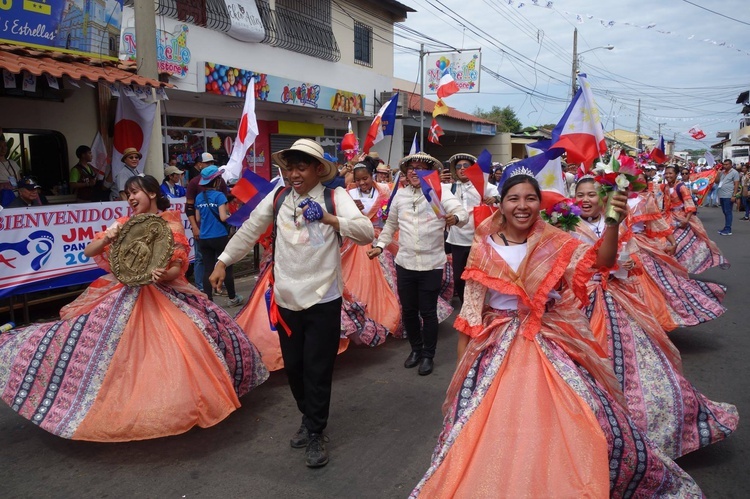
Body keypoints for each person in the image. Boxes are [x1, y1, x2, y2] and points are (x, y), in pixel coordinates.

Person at [411, 174, 703, 497]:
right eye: (514, 199)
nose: (522, 206)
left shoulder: (556, 241)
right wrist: (462, 373)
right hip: (495, 347)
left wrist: (613, 222)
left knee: (587, 421)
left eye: (530, 199)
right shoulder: (484, 246)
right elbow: (470, 316)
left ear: (540, 203)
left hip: (550, 340)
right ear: (502, 204)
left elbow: (602, 262)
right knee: (489, 432)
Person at [0, 174, 268, 442]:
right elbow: (89, 251)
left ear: (151, 193)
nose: (129, 198)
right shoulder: (123, 224)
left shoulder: (169, 221)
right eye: (127, 193)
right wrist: (108, 237)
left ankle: (173, 406)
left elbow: (177, 264)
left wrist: (163, 275)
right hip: (123, 294)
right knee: (98, 348)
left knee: (186, 344)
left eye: (135, 192)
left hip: (164, 294)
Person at [210, 138, 374, 468]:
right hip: (286, 300)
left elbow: (366, 232)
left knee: (317, 368)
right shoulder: (279, 196)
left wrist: (329, 219)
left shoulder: (334, 196)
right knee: (295, 369)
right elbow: (249, 230)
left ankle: (315, 430)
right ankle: (308, 416)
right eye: (289, 168)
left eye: (301, 168)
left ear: (317, 169)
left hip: (323, 299)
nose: (294, 174)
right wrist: (223, 261)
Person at [573, 177, 737, 460]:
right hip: (580, 304)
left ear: (604, 198)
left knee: (642, 363)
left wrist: (624, 265)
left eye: (591, 194)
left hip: (618, 300)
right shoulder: (565, 225)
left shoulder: (622, 218)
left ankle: (649, 426)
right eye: (579, 194)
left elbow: (631, 257)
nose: (585, 199)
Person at [367, 152, 468, 376]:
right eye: (412, 167)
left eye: (421, 168)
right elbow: (390, 226)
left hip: (432, 264)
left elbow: (462, 213)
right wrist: (381, 246)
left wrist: (455, 219)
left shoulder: (438, 193)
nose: (415, 171)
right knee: (409, 312)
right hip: (405, 263)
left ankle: (428, 356)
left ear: (430, 172)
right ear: (406, 172)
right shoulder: (400, 196)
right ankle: (415, 349)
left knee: (428, 312)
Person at [444, 153, 498, 303]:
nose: (462, 169)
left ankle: (480, 307)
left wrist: (495, 199)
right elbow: (431, 191)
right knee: (459, 278)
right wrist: (437, 181)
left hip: (480, 239)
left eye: (466, 166)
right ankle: (465, 306)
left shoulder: (483, 185)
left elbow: (503, 195)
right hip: (458, 240)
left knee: (480, 276)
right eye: (459, 167)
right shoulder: (450, 187)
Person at [662, 165, 728, 273]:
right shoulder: (665, 187)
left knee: (680, 244)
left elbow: (689, 204)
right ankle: (673, 269)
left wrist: (686, 220)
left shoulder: (681, 187)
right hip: (669, 218)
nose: (668, 175)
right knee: (667, 243)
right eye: (666, 173)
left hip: (681, 218)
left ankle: (677, 269)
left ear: (676, 174)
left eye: (670, 173)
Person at [194, 165, 242, 306]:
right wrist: (232, 215)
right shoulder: (220, 196)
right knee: (226, 266)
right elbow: (222, 217)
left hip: (204, 238)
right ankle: (233, 298)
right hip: (219, 236)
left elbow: (197, 218)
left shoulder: (198, 197)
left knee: (208, 268)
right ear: (215, 181)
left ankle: (209, 301)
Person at [185, 152, 226, 293]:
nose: (209, 165)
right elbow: (189, 208)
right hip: (203, 231)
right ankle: (202, 288)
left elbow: (225, 202)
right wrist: (195, 228)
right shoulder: (194, 183)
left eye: (211, 163)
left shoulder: (221, 181)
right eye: (207, 163)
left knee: (220, 259)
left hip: (218, 231)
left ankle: (219, 285)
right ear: (199, 164)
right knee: (201, 259)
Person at [716, 159, 740, 235]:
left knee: (728, 212)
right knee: (725, 212)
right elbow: (716, 181)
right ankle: (726, 227)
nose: (725, 166)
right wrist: (718, 174)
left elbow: (736, 184)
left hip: (729, 195)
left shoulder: (734, 172)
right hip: (721, 194)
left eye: (727, 164)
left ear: (730, 165)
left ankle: (728, 229)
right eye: (724, 164)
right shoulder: (722, 172)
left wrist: (734, 195)